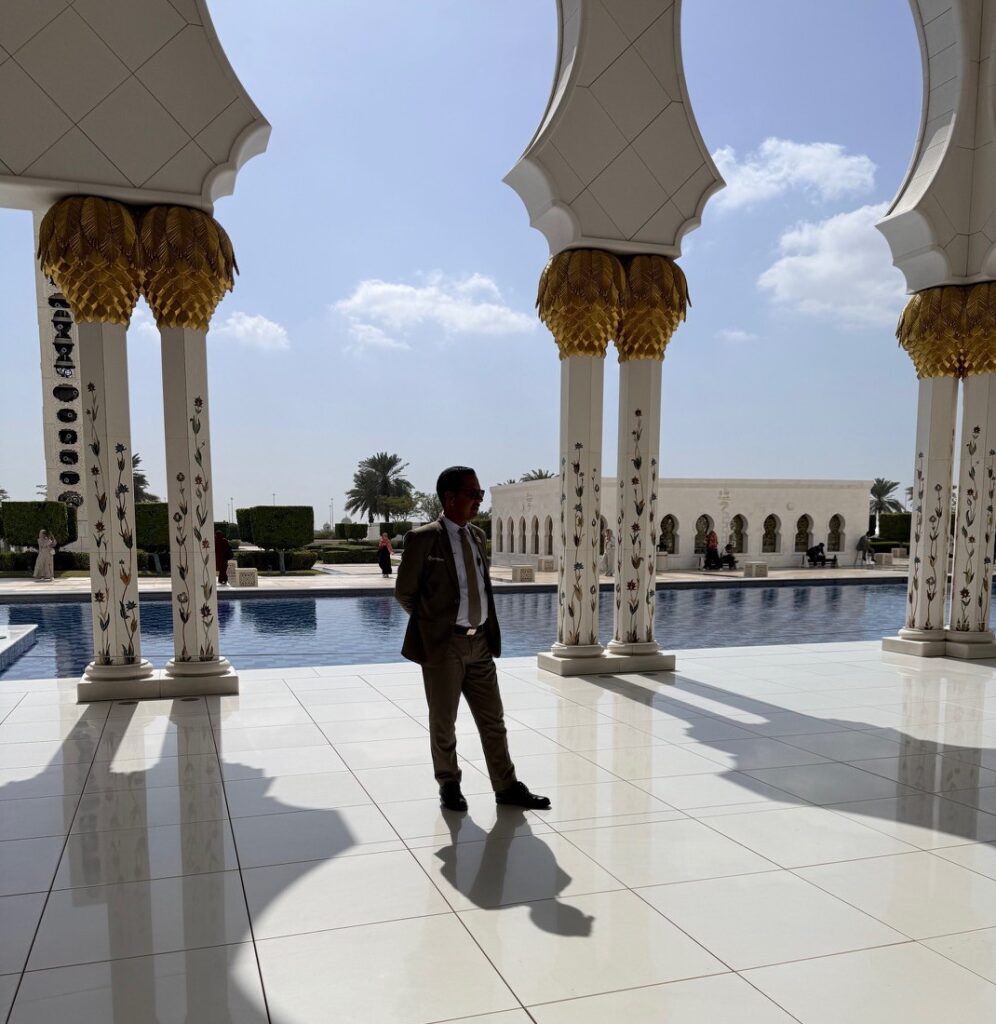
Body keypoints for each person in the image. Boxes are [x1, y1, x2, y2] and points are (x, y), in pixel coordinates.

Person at [395, 465, 551, 813]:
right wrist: (433, 627)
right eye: (473, 494)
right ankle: (449, 784)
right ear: (450, 498)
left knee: (493, 719)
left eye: (480, 494)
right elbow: (405, 593)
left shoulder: (477, 536)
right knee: (443, 721)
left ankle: (506, 785)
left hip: (480, 643)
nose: (479, 500)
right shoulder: (423, 539)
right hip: (444, 645)